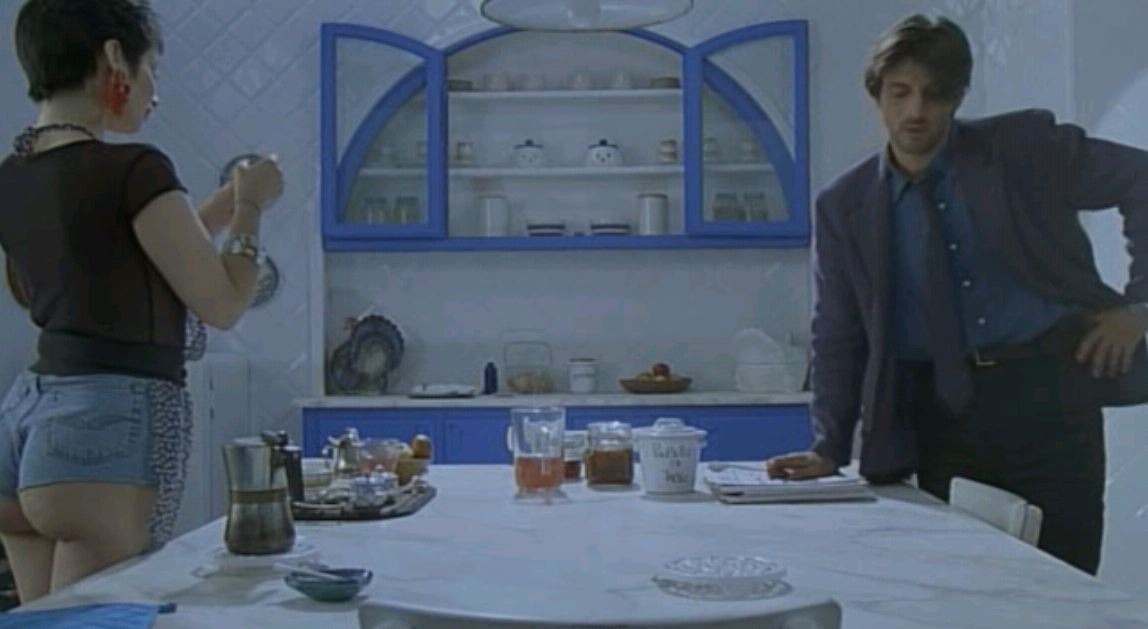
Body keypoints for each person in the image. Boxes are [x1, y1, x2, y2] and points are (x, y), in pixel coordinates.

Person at [765, 14, 1148, 575]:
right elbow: (839, 333)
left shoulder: (1024, 148)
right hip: (942, 412)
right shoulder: (845, 205)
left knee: (1065, 580)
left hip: (1052, 395)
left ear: (958, 95)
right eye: (900, 92)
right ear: (876, 95)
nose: (916, 110)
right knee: (961, 583)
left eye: (934, 93)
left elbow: (1141, 177)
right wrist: (829, 445)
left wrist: (1138, 306)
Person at [0, 0, 284, 602]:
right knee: (89, 625)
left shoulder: (12, 176)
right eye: (150, 66)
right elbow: (224, 303)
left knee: (41, 623)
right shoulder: (134, 167)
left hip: (22, 423)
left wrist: (220, 204)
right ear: (113, 57)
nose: (154, 90)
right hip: (100, 429)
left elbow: (115, 262)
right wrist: (252, 206)